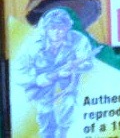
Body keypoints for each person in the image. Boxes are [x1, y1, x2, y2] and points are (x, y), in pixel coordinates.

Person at [18, 8, 98, 138]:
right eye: (52, 28)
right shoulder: (33, 45)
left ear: (67, 28)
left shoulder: (78, 40)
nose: (57, 32)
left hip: (68, 85)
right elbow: (19, 73)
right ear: (46, 29)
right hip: (42, 87)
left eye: (61, 28)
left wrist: (73, 67)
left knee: (68, 106)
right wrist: (41, 79)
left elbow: (88, 64)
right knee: (46, 118)